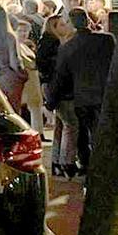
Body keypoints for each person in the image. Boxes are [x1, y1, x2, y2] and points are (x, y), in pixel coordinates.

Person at [47, 8, 115, 176]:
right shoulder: (106, 40)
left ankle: (88, 165)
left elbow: (60, 77)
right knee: (101, 133)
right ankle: (104, 165)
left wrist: (51, 100)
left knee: (83, 135)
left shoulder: (67, 48)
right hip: (105, 94)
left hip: (82, 96)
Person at [38, 15, 77, 174]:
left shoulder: (46, 42)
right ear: (54, 27)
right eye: (62, 24)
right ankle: (66, 162)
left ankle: (56, 161)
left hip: (51, 86)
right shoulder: (54, 45)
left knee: (61, 125)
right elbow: (58, 71)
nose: (66, 27)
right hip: (58, 87)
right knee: (71, 124)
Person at [16, 20, 44, 137]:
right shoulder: (16, 46)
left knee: (35, 107)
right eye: (21, 31)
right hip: (26, 82)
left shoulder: (24, 46)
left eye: (26, 31)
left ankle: (38, 132)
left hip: (32, 81)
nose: (23, 33)